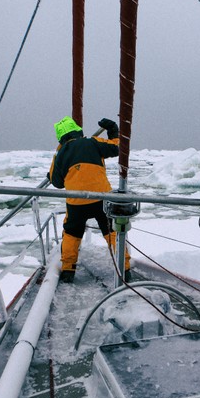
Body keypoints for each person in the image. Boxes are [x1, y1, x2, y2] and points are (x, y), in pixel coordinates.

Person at [48, 116, 131, 282]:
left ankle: (68, 271)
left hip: (76, 202)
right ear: (78, 131)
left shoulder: (60, 152)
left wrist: (51, 174)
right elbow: (117, 147)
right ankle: (125, 269)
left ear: (61, 136)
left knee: (71, 234)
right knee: (112, 232)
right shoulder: (92, 142)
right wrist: (112, 129)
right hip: (101, 198)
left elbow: (56, 182)